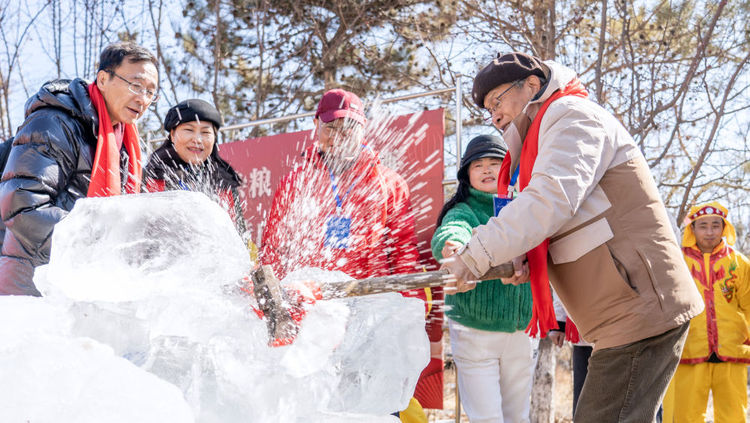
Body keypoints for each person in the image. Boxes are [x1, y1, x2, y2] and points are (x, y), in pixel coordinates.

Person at [440, 51, 704, 422]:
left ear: (531, 86)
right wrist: (518, 258)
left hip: (640, 305)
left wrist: (474, 254)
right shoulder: (544, 137)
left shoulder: (572, 117)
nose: (494, 115)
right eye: (488, 109)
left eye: (497, 101)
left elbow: (550, 200)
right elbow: (565, 221)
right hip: (621, 309)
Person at [260, 88, 429, 422]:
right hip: (315, 315)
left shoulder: (389, 183)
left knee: (374, 401)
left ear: (363, 130)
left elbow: (405, 250)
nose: (339, 136)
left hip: (374, 313)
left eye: (348, 128)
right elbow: (274, 247)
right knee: (319, 402)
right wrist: (276, 307)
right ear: (316, 127)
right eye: (331, 128)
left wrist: (410, 307)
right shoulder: (297, 180)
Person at [0, 42, 159, 297]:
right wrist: (99, 240)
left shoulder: (125, 144)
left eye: (151, 92)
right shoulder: (54, 122)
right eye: (136, 85)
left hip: (78, 287)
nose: (143, 98)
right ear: (103, 79)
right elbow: (22, 206)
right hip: (31, 288)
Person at [431, 134, 534, 423]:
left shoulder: (525, 205)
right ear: (467, 175)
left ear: (510, 170)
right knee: (486, 418)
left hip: (519, 330)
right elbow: (452, 232)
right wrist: (451, 248)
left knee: (518, 417)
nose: (488, 170)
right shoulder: (463, 210)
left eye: (495, 163)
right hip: (474, 330)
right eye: (479, 165)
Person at [662, 201, 750, 423]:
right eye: (703, 226)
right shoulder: (678, 262)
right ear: (692, 228)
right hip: (689, 350)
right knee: (686, 416)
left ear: (724, 227)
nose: (709, 232)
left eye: (715, 225)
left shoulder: (739, 263)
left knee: (734, 416)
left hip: (732, 350)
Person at [143, 99, 245, 233]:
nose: (197, 139)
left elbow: (239, 237)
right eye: (189, 130)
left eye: (205, 132)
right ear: (172, 135)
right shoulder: (151, 175)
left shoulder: (224, 182)